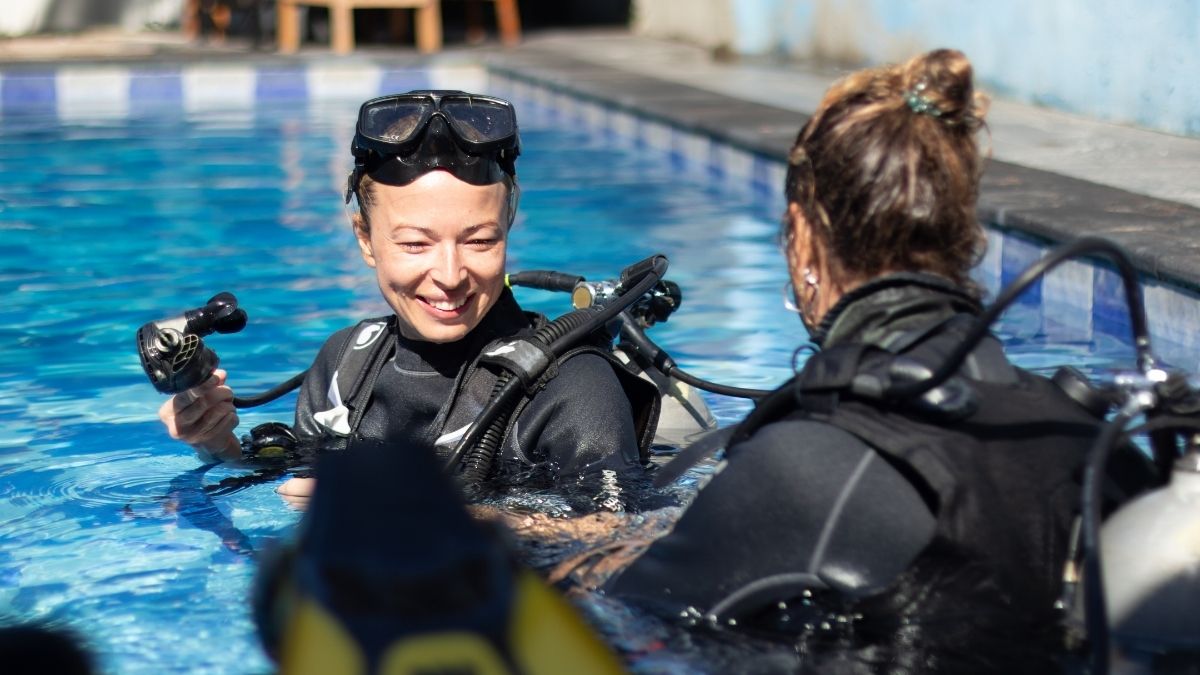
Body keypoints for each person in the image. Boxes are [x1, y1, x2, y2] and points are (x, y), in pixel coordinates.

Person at [596, 49, 1154, 672]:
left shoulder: (807, 465)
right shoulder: (1097, 447)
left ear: (803, 238)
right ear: (963, 239)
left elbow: (623, 622)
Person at [158, 90, 659, 500]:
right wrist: (216, 444)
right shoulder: (344, 366)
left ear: (508, 227)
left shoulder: (572, 387)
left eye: (480, 241)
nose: (450, 275)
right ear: (365, 239)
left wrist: (395, 508)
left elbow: (612, 542)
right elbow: (299, 487)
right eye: (416, 244)